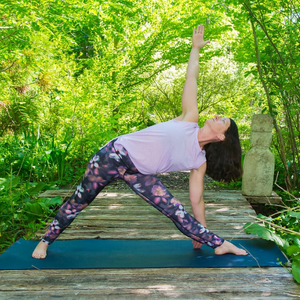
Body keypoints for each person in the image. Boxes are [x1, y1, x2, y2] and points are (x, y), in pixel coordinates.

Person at [32, 24, 248, 259]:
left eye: (222, 120)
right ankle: (45, 241)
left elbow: (197, 201)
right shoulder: (189, 119)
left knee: (175, 209)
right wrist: (195, 49)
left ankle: (218, 242)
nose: (217, 115)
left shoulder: (199, 160)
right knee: (79, 201)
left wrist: (200, 231)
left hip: (138, 174)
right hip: (111, 156)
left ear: (221, 137)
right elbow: (192, 78)